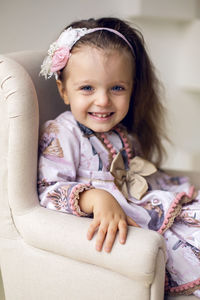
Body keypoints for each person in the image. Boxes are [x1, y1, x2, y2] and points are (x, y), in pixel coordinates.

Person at [38, 17, 200, 297]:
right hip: (123, 218)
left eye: (117, 88)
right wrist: (95, 197)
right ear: (64, 90)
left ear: (132, 89)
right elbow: (47, 191)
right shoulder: (61, 132)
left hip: (140, 203)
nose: (103, 100)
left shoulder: (122, 133)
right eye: (87, 88)